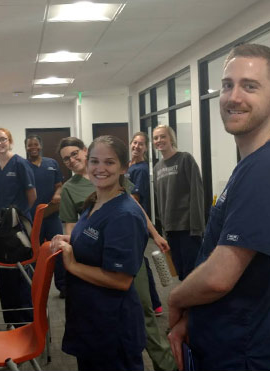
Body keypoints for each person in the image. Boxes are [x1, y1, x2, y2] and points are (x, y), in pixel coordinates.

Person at [167, 44, 270, 371]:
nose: (233, 96)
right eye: (227, 85)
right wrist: (196, 315)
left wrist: (176, 299)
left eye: (250, 86)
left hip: (250, 355)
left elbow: (219, 277)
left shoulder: (267, 169)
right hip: (235, 343)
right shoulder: (254, 164)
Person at [58, 136, 176, 371]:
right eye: (95, 161)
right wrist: (72, 240)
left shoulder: (124, 214)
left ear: (124, 167)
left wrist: (72, 265)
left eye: (109, 162)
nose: (99, 168)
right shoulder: (94, 202)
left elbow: (120, 280)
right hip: (90, 320)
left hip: (112, 325)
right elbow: (95, 237)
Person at [0, 127, 36, 325]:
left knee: (21, 274)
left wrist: (18, 216)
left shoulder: (20, 164)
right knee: (4, 275)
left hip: (18, 229)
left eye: (3, 139)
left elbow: (32, 196)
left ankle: (27, 322)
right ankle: (11, 322)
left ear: (10, 141)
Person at [153, 124, 204, 280]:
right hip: (170, 229)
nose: (159, 140)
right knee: (180, 273)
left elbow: (197, 193)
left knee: (193, 274)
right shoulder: (157, 168)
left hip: (188, 227)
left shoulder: (185, 159)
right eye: (155, 138)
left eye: (163, 136)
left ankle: (197, 304)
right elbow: (160, 198)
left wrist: (197, 227)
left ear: (171, 139)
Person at [127, 132, 163, 315]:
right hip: (130, 219)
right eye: (135, 143)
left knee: (141, 262)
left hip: (135, 220)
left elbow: (134, 199)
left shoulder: (140, 169)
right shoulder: (129, 166)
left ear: (146, 148)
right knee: (140, 261)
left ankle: (155, 303)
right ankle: (152, 302)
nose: (137, 146)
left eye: (141, 144)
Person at [24, 134, 65, 297]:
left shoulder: (52, 164)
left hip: (52, 215)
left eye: (36, 144)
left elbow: (60, 185)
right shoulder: (23, 165)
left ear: (40, 146)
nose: (33, 147)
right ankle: (34, 286)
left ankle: (63, 286)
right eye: (30, 145)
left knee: (58, 250)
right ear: (26, 147)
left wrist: (57, 193)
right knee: (34, 253)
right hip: (32, 218)